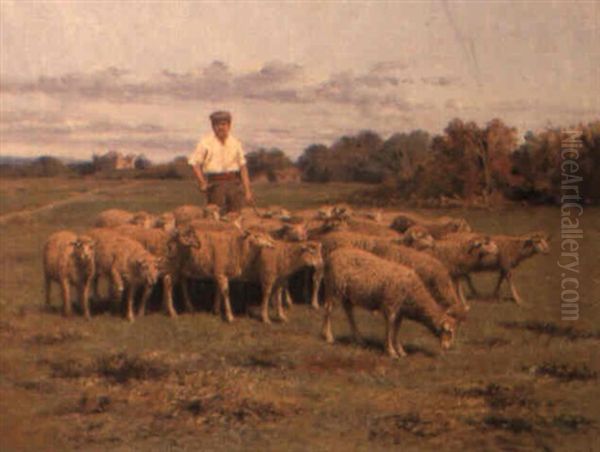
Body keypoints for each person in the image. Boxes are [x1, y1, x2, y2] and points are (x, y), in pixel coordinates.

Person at [187, 111, 254, 214]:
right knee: (216, 216)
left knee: (236, 215)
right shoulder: (205, 143)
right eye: (217, 125)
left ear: (229, 125)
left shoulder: (235, 142)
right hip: (216, 185)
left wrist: (247, 190)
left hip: (234, 184)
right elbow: (195, 163)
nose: (220, 127)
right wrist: (202, 182)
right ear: (213, 126)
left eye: (223, 124)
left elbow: (243, 167)